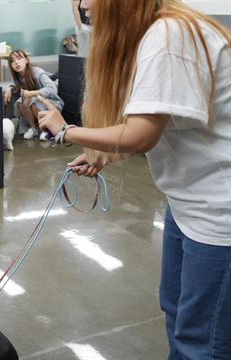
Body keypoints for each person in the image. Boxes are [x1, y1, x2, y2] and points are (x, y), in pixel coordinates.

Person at [37, 1, 231, 358]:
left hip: (219, 215)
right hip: (187, 203)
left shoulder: (168, 34)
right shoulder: (155, 33)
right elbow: (169, 124)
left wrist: (67, 132)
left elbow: (141, 134)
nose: (83, 5)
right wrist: (107, 153)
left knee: (203, 341)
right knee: (174, 310)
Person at [3, 49, 63, 141]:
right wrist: (10, 88)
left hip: (52, 102)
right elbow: (18, 87)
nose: (16, 62)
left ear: (26, 60)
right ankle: (33, 128)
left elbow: (52, 89)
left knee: (33, 103)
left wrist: (31, 93)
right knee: (20, 103)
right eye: (12, 61)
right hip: (37, 100)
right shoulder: (18, 76)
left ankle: (47, 130)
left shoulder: (37, 72)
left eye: (19, 58)